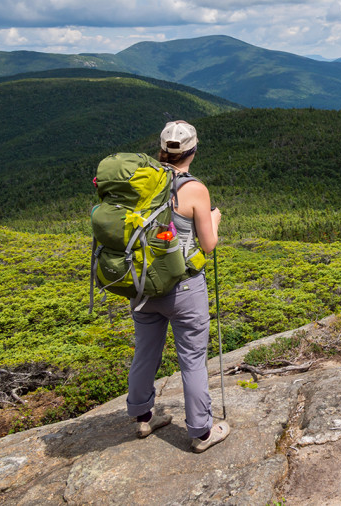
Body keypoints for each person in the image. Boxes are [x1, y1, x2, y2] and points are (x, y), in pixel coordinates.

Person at [125, 120, 229, 453]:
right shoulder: (194, 188)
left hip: (142, 285)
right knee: (192, 359)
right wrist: (214, 218)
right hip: (183, 288)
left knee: (145, 352)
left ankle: (143, 417)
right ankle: (201, 433)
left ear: (161, 149)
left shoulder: (140, 182)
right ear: (193, 151)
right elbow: (208, 245)